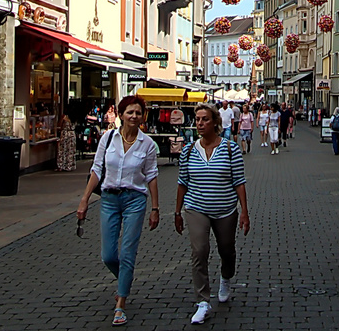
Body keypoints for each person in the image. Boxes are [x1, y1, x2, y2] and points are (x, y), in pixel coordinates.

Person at [76, 95, 159, 326]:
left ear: (143, 117)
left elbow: (151, 176)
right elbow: (97, 169)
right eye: (130, 112)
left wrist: (155, 208)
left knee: (128, 251)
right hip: (110, 199)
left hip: (135, 200)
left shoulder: (148, 144)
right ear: (121, 115)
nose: (134, 116)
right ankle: (125, 279)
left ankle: (120, 303)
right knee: (109, 255)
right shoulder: (108, 138)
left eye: (138, 113)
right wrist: (84, 200)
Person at [175, 103, 250, 325]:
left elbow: (239, 182)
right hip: (196, 207)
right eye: (197, 119)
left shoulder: (230, 148)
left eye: (204, 119)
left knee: (226, 249)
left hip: (225, 208)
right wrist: (177, 211)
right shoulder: (188, 150)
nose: (200, 123)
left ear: (215, 122)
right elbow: (182, 183)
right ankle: (203, 302)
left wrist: (244, 211)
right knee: (199, 250)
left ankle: (226, 278)